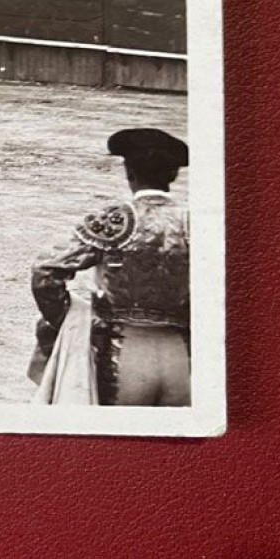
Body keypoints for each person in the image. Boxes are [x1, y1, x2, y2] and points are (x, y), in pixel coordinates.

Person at [29, 129, 190, 406]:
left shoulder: (116, 220)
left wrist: (68, 320)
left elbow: (45, 273)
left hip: (122, 356)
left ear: (130, 173)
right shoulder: (195, 223)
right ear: (173, 175)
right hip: (184, 360)